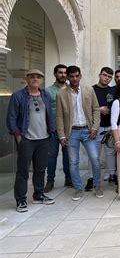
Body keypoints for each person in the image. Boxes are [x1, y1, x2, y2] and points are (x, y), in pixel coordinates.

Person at [7, 69, 56, 212]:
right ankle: (21, 200)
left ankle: (38, 195)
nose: (35, 79)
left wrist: (51, 130)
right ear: (26, 79)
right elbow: (11, 117)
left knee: (40, 169)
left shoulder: (45, 95)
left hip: (44, 138)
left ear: (41, 79)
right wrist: (18, 136)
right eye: (32, 76)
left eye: (38, 77)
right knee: (23, 171)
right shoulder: (18, 96)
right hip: (26, 139)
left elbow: (50, 114)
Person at [56, 65, 102, 201]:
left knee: (95, 159)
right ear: (68, 77)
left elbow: (96, 109)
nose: (74, 79)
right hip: (72, 132)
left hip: (88, 131)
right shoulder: (62, 94)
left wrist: (94, 128)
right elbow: (58, 116)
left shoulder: (89, 90)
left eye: (77, 76)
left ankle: (97, 186)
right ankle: (77, 189)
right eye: (72, 76)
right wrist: (62, 135)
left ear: (80, 76)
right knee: (73, 162)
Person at [44, 64, 71, 192]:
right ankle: (50, 180)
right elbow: (45, 111)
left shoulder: (71, 89)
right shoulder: (48, 91)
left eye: (65, 73)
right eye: (60, 73)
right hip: (53, 129)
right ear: (55, 74)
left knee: (68, 155)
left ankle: (68, 178)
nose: (63, 75)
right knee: (51, 155)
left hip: (68, 129)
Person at [92, 67, 117, 185]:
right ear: (99, 75)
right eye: (105, 75)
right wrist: (98, 110)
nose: (107, 78)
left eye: (109, 77)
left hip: (110, 127)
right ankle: (93, 178)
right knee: (94, 154)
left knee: (111, 153)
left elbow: (118, 107)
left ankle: (112, 175)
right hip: (96, 127)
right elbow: (86, 108)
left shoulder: (113, 91)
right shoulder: (91, 90)